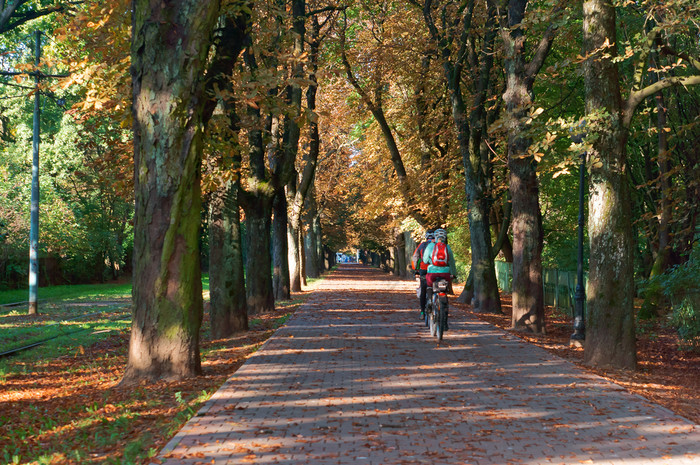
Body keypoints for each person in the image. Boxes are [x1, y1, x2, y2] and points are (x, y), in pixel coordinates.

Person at [422, 228, 458, 329]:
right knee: (444, 294)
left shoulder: (430, 246)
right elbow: (452, 262)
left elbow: (425, 260)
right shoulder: (447, 247)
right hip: (445, 274)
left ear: (435, 236)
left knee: (429, 286)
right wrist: (453, 274)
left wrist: (430, 262)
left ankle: (429, 302)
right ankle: (444, 322)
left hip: (432, 273)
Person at [411, 229, 434, 318]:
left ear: (426, 237)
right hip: (436, 270)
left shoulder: (422, 245)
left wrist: (416, 270)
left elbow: (415, 257)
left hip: (424, 270)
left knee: (423, 290)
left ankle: (422, 312)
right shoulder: (438, 245)